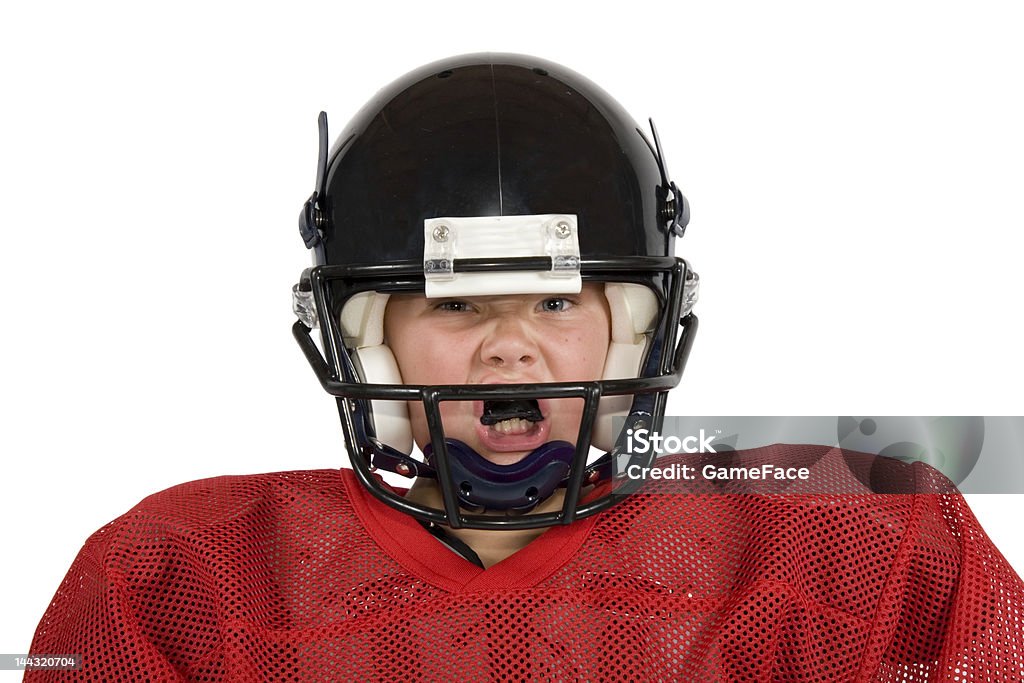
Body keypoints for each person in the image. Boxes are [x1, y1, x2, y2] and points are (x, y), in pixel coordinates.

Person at [27, 53, 1024, 681]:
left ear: (632, 330)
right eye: (456, 304)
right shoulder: (178, 577)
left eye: (556, 301)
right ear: (363, 337)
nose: (511, 345)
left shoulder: (855, 542)